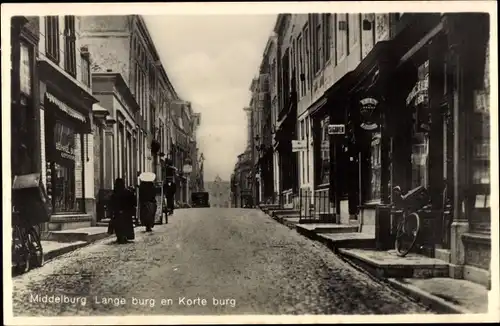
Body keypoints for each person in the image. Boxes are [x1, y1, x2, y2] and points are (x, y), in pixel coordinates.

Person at [108, 178, 135, 244]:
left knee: (118, 226)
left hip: (117, 213)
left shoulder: (114, 193)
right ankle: (125, 236)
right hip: (126, 213)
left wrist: (112, 212)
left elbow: (111, 204)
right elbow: (132, 202)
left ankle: (119, 236)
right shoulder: (128, 192)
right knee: (126, 225)